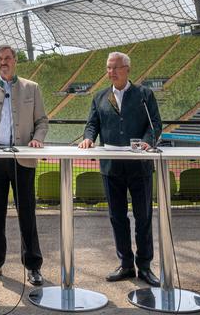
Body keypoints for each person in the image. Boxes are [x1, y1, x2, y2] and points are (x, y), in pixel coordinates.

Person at [78, 51, 163, 286]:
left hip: (139, 166)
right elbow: (92, 124)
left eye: (116, 67)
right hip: (111, 167)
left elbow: (155, 124)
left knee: (143, 217)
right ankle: (126, 264)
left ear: (127, 69)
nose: (111, 72)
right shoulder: (99, 97)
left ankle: (144, 266)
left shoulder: (145, 95)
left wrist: (149, 141)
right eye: (108, 68)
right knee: (117, 217)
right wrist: (88, 138)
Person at [0, 44, 48, 287]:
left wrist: (37, 138)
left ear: (15, 61)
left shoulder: (31, 88)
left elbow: (42, 121)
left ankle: (33, 266)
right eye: (0, 58)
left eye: (7, 58)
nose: (4, 62)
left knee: (27, 213)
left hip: (23, 158)